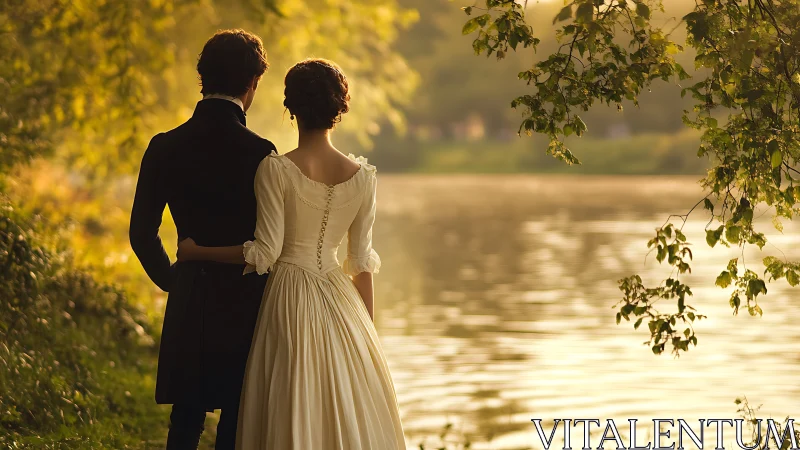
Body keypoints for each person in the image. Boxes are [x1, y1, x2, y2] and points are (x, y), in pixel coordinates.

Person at [177, 58, 406, 449]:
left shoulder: (276, 170)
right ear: (340, 108)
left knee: (290, 396)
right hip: (343, 301)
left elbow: (264, 253)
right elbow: (362, 263)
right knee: (345, 404)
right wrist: (366, 334)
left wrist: (198, 251)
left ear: (291, 107)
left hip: (289, 296)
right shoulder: (364, 178)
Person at [129, 29, 275, 449]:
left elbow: (142, 233)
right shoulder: (261, 152)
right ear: (251, 84)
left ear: (202, 78)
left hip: (191, 291)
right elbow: (269, 240)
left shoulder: (165, 146)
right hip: (245, 299)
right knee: (235, 412)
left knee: (186, 415)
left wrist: (174, 279)